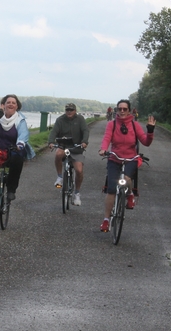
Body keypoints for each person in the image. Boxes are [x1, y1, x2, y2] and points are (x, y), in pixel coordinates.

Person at [98, 99, 156, 232]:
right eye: (120, 109)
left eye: (125, 109)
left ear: (129, 110)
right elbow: (107, 138)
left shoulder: (135, 125)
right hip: (115, 158)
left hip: (131, 158)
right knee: (112, 189)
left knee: (127, 179)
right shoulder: (112, 125)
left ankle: (130, 193)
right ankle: (106, 220)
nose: (122, 111)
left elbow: (146, 142)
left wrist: (150, 131)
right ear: (116, 110)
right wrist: (103, 149)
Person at [0, 94, 36, 225]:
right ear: (3, 105)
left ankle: (11, 190)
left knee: (18, 159)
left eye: (13, 103)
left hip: (11, 152)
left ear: (17, 106)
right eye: (8, 102)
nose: (10, 104)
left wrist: (20, 143)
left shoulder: (20, 120)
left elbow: (23, 134)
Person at [47, 103, 89, 206]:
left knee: (79, 170)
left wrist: (84, 142)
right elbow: (54, 131)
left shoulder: (80, 119)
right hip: (63, 146)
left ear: (75, 110)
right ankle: (60, 177)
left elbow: (85, 131)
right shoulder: (60, 120)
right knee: (58, 154)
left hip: (76, 147)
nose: (69, 112)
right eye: (67, 110)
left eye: (71, 110)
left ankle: (77, 193)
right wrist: (51, 142)